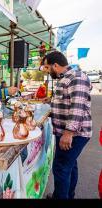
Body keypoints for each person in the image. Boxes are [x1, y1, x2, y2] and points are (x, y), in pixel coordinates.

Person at [41, 51, 92, 199]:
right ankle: (67, 195)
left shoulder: (77, 77)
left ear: (55, 65)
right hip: (66, 132)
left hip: (74, 134)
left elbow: (77, 107)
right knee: (70, 166)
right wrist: (50, 103)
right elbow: (65, 103)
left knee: (61, 168)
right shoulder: (65, 78)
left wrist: (68, 133)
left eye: (46, 67)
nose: (46, 71)